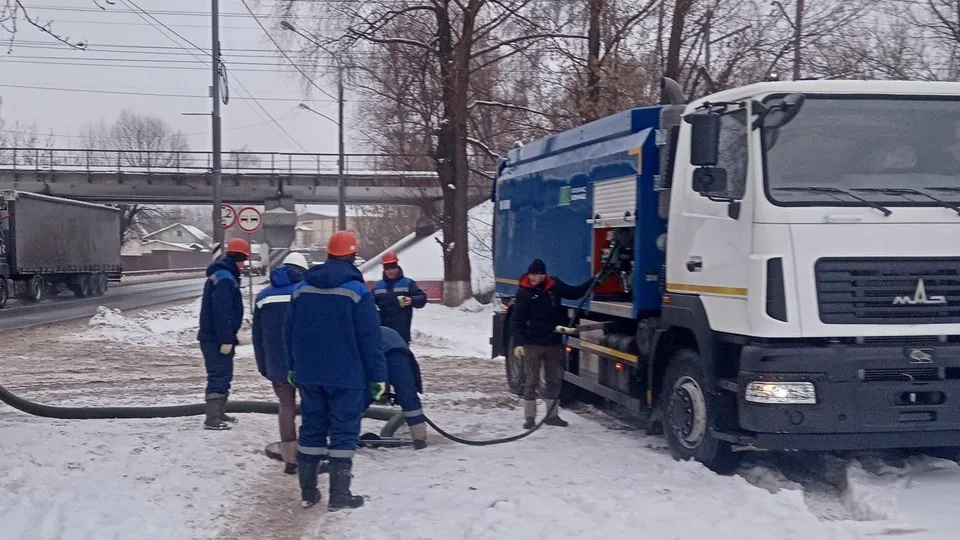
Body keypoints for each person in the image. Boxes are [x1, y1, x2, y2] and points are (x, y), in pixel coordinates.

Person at [285, 231, 387, 510]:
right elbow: (370, 339)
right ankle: (340, 495)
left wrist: (292, 366)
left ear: (329, 254)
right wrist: (378, 376)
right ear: (352, 256)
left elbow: (289, 332)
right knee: (343, 431)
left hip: (308, 373)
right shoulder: (357, 291)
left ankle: (308, 492)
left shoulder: (302, 289)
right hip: (346, 375)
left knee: (312, 428)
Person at [510, 258, 592, 429]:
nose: (533, 278)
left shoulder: (555, 286)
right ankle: (530, 417)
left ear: (544, 275)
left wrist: (594, 281)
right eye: (531, 274)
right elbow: (517, 321)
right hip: (532, 344)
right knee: (531, 381)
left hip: (553, 342)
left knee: (553, 380)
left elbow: (574, 293)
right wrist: (519, 343)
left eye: (537, 275)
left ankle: (552, 415)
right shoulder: (524, 292)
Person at [252, 252, 311, 475]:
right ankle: (310, 453)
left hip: (276, 364)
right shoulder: (305, 292)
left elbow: (257, 336)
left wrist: (263, 364)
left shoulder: (263, 296)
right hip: (304, 362)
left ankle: (290, 459)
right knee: (310, 407)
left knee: (286, 408)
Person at [197, 238, 250, 431]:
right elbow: (222, 312)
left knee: (223, 373)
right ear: (238, 258)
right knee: (218, 374)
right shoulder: (226, 279)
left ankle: (218, 413)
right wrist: (226, 339)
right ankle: (212, 418)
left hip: (213, 336)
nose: (244, 265)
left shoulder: (222, 274)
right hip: (216, 338)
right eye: (244, 260)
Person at [378, 326, 428, 450]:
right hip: (393, 347)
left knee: (406, 394)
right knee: (408, 396)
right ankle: (419, 437)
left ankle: (419, 438)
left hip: (392, 353)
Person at [372, 252, 427, 344]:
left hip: (402, 332)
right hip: (384, 331)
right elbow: (370, 303)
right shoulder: (378, 286)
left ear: (397, 267)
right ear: (384, 269)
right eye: (388, 269)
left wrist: (412, 300)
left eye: (393, 268)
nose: (391, 271)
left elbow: (422, 298)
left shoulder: (408, 283)